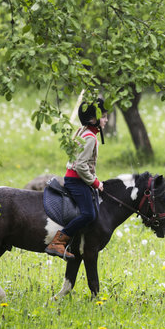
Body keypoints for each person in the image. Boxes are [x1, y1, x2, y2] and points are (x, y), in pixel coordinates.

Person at [45, 98, 108, 259]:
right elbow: (80, 165)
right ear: (93, 119)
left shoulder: (83, 131)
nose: (106, 120)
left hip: (75, 178)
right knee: (89, 214)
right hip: (77, 180)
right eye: (104, 116)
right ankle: (58, 242)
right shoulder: (90, 137)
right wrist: (95, 182)